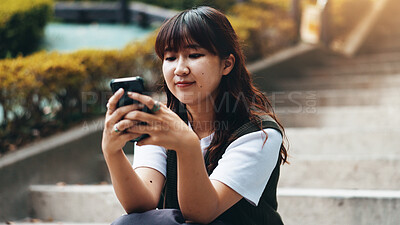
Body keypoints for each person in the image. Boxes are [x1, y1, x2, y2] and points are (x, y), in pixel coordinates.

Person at [102, 6, 288, 225]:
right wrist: (112, 152)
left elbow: (202, 214)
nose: (180, 69)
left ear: (226, 64)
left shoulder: (259, 132)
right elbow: (141, 205)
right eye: (170, 58)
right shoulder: (163, 121)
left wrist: (187, 145)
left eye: (194, 55)